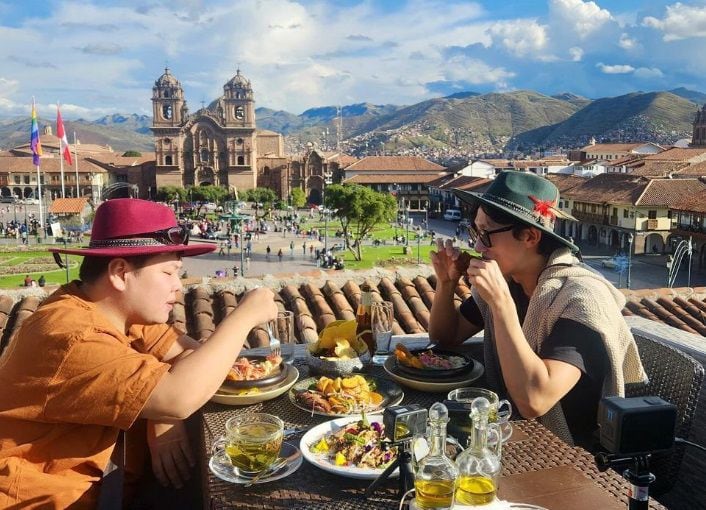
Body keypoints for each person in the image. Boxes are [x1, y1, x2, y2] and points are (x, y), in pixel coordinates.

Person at [0, 199, 278, 508]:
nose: (178, 287)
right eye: (169, 273)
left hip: (114, 491)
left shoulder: (118, 315)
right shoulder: (70, 335)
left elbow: (192, 357)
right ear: (120, 272)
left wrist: (162, 421)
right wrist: (244, 316)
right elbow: (179, 396)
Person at [428, 171, 646, 450]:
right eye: (475, 231)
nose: (478, 245)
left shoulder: (581, 299)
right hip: (511, 433)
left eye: (487, 234)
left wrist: (502, 305)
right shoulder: (512, 282)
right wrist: (446, 284)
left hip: (571, 453)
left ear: (530, 236)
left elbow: (534, 400)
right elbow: (446, 337)